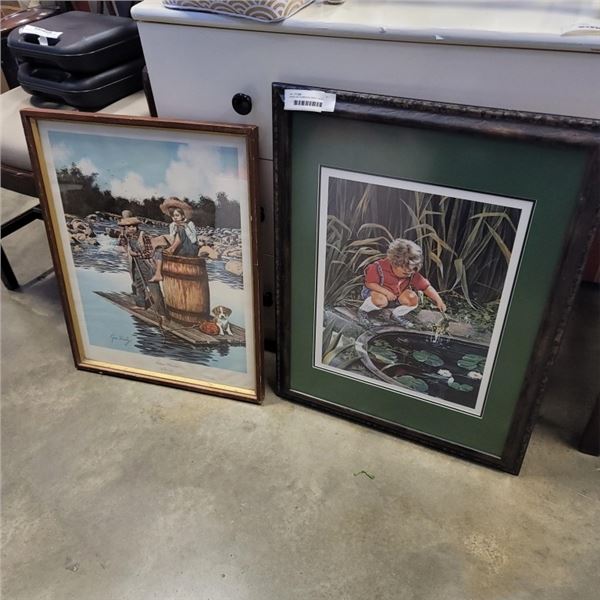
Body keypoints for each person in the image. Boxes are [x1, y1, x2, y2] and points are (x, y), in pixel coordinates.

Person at [358, 238, 446, 327]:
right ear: (393, 263)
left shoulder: (410, 272)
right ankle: (363, 311)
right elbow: (369, 284)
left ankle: (396, 315)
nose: (408, 275)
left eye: (411, 272)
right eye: (405, 273)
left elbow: (426, 287)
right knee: (381, 300)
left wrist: (439, 300)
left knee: (412, 298)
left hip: (396, 297)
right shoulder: (378, 267)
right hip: (377, 294)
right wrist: (386, 293)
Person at [117, 216, 165, 314]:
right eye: (128, 226)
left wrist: (137, 254)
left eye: (133, 226)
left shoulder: (143, 235)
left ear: (137, 226)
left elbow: (150, 252)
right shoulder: (128, 235)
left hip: (147, 264)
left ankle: (162, 313)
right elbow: (123, 244)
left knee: (154, 288)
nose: (131, 228)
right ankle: (141, 305)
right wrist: (122, 234)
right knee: (138, 285)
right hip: (136, 264)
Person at [149, 197, 198, 282]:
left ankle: (171, 249)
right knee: (158, 250)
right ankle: (158, 274)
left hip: (189, 248)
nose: (175, 218)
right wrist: (174, 229)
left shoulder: (190, 223)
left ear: (183, 215)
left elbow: (194, 240)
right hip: (178, 248)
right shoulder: (172, 225)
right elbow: (172, 238)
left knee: (181, 228)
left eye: (177, 215)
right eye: (173, 216)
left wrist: (186, 227)